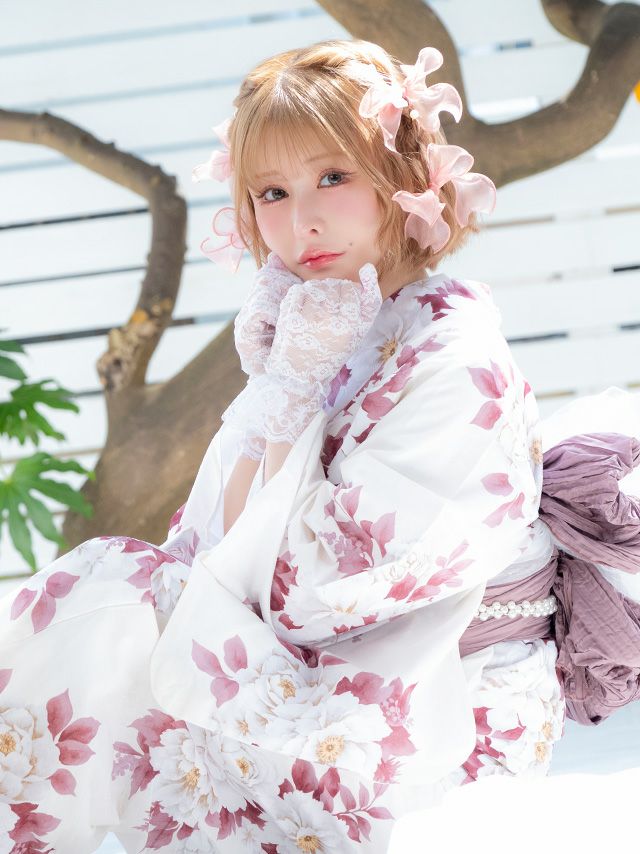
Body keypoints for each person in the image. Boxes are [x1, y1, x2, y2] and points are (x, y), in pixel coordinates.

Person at [1, 38, 639, 854]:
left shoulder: (455, 357)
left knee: (111, 607)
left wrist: (293, 396)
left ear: (404, 178)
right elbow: (211, 541)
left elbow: (310, 589)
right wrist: (281, 388)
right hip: (334, 667)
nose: (301, 221)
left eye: (333, 176)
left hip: (437, 705)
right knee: (113, 594)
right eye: (271, 191)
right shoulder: (333, 326)